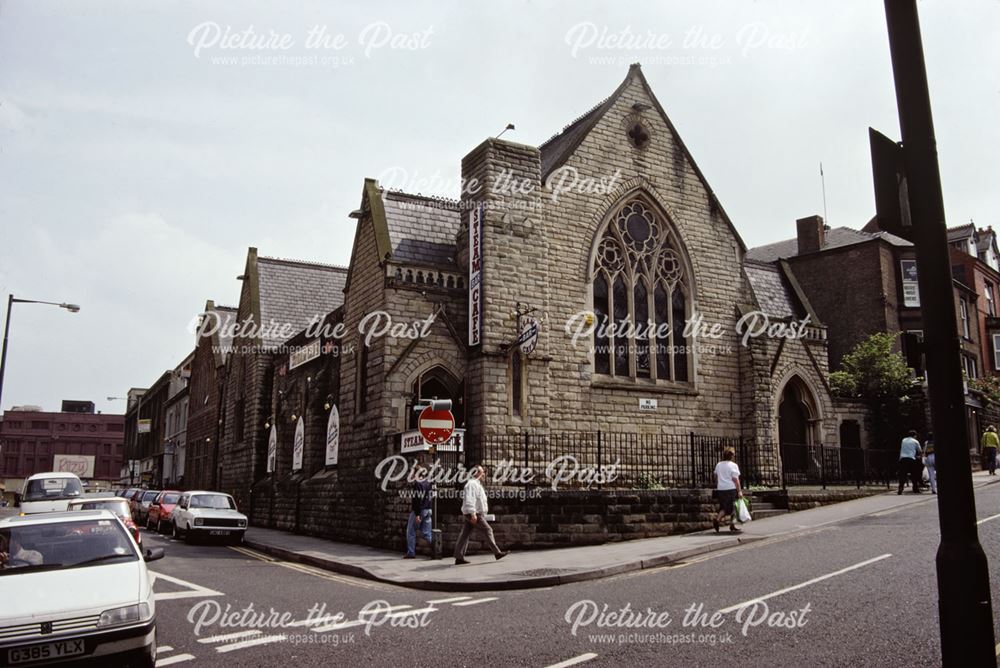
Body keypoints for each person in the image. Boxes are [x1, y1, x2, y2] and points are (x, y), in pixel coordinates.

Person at [454, 466, 508, 565]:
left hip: (473, 513)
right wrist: (473, 513)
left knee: (465, 534)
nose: (484, 474)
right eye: (482, 472)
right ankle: (497, 553)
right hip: (474, 513)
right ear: (477, 473)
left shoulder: (476, 484)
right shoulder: (472, 484)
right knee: (488, 530)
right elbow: (470, 499)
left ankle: (459, 557)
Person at [404, 463, 433, 559]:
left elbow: (417, 500)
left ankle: (411, 553)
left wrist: (417, 514)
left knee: (410, 531)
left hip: (419, 511)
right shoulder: (427, 483)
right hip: (428, 510)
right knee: (426, 533)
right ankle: (436, 549)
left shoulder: (417, 484)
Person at [712, 447, 743, 533]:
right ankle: (719, 520)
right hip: (731, 489)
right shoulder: (733, 466)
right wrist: (739, 491)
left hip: (721, 489)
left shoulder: (719, 465)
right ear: (731, 456)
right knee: (732, 507)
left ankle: (730, 524)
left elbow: (716, 477)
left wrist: (720, 483)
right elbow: (735, 479)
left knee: (724, 507)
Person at [898, 430, 923, 494]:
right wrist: (919, 457)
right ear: (915, 435)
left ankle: (900, 488)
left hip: (902, 459)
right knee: (914, 474)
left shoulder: (903, 440)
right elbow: (920, 451)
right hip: (911, 459)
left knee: (903, 474)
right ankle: (915, 489)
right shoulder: (915, 441)